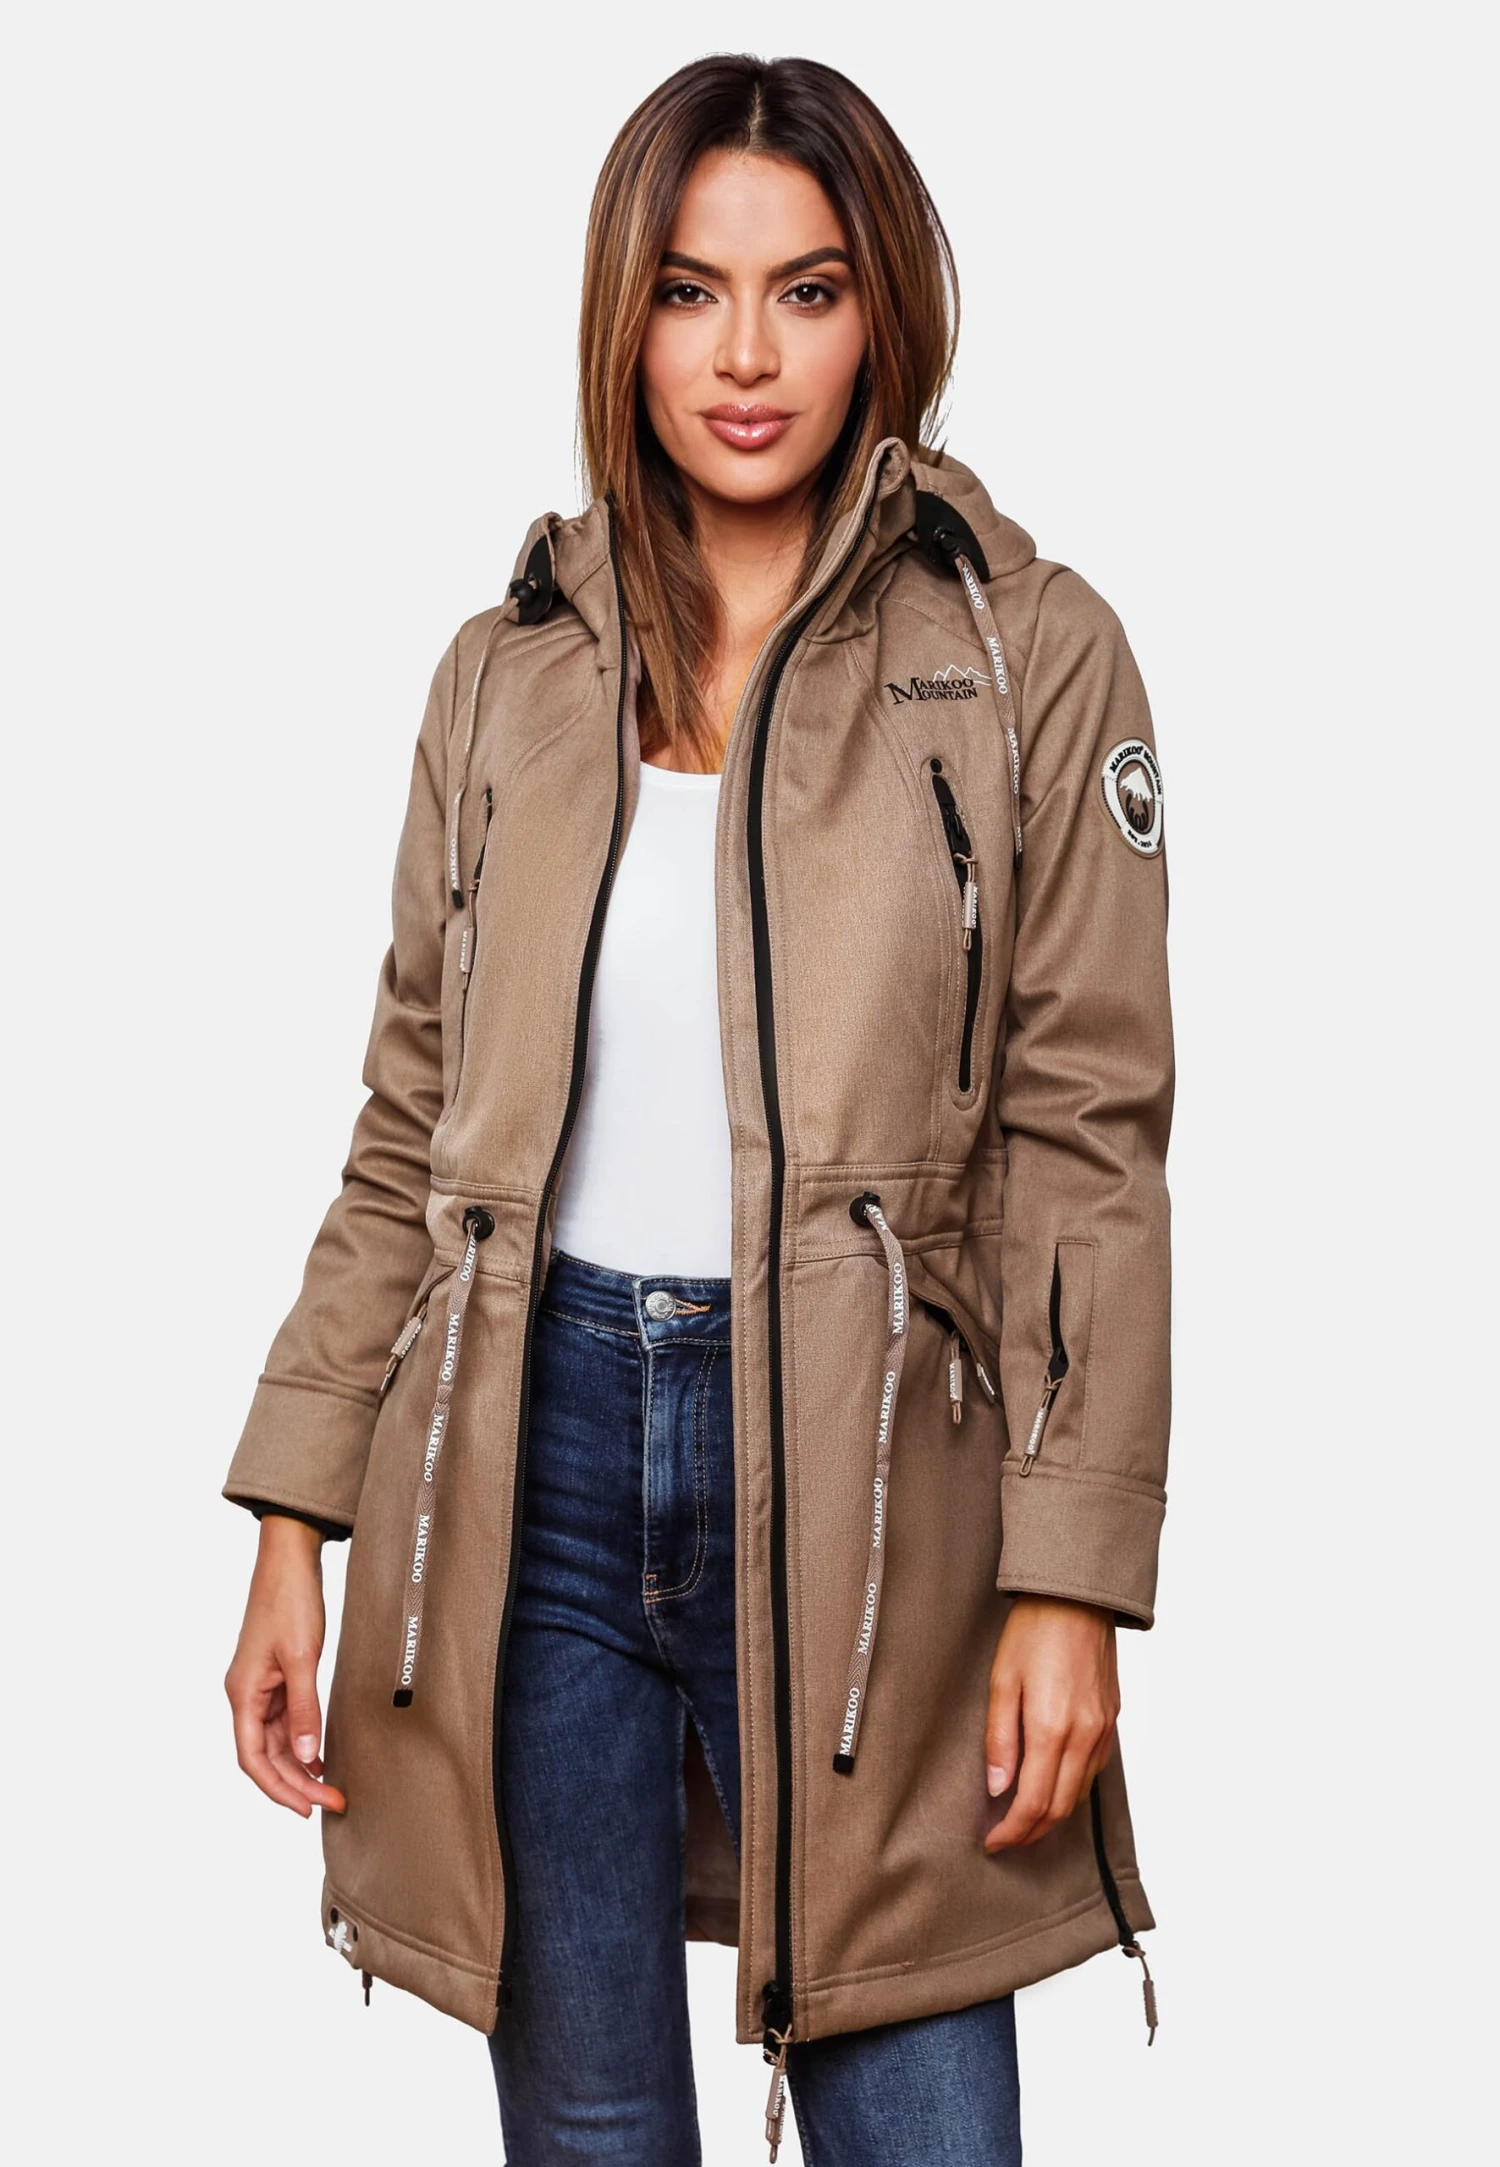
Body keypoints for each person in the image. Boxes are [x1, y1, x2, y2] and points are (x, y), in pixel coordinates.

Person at [223, 51, 1174, 2167]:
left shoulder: (1027, 653)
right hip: (535, 1468)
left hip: (873, 1481)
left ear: (881, 309)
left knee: (921, 2113)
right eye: (690, 290)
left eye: (805, 291)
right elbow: (410, 1127)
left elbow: (1090, 1139)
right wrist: (296, 1514)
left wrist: (1072, 1576)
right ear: (622, 316)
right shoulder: (507, 672)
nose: (746, 356)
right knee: (585, 2130)